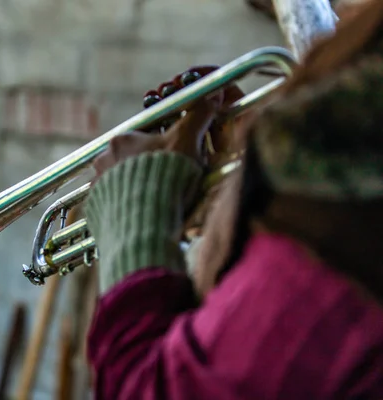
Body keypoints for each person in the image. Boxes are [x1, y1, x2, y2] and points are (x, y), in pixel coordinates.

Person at [84, 1, 383, 398]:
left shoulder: (352, 190)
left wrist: (134, 212)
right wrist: (247, 199)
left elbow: (152, 388)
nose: (335, 11)